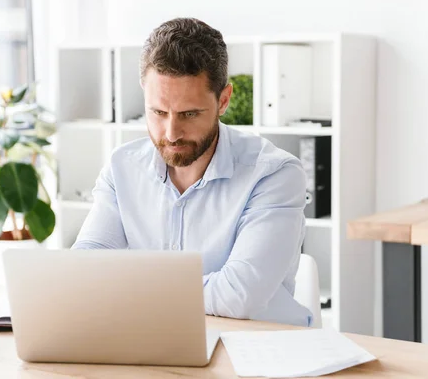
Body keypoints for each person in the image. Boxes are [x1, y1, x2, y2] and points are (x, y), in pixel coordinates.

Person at [72, 17, 312, 327]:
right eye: (158, 112)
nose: (171, 133)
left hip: (256, 352)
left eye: (189, 114)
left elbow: (239, 296)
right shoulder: (122, 167)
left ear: (223, 100)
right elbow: (84, 268)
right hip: (155, 343)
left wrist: (130, 286)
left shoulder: (274, 174)